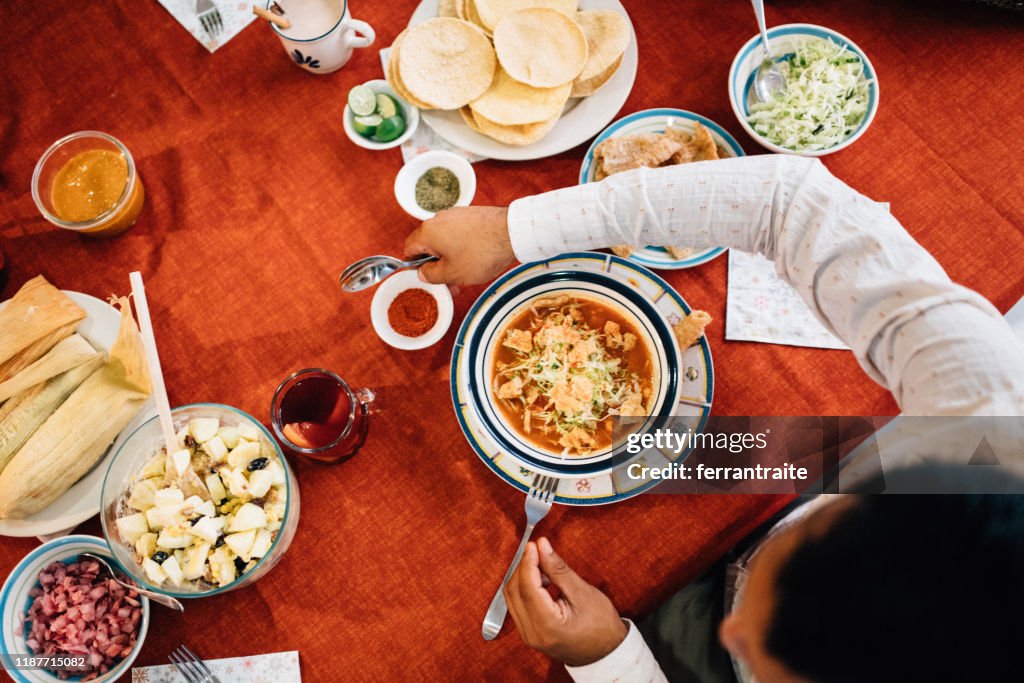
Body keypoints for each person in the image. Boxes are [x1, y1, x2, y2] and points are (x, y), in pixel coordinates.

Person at [404, 155, 1024, 681]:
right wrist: (514, 230)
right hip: (814, 459)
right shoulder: (997, 424)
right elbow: (789, 200)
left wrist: (607, 660)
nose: (734, 629)